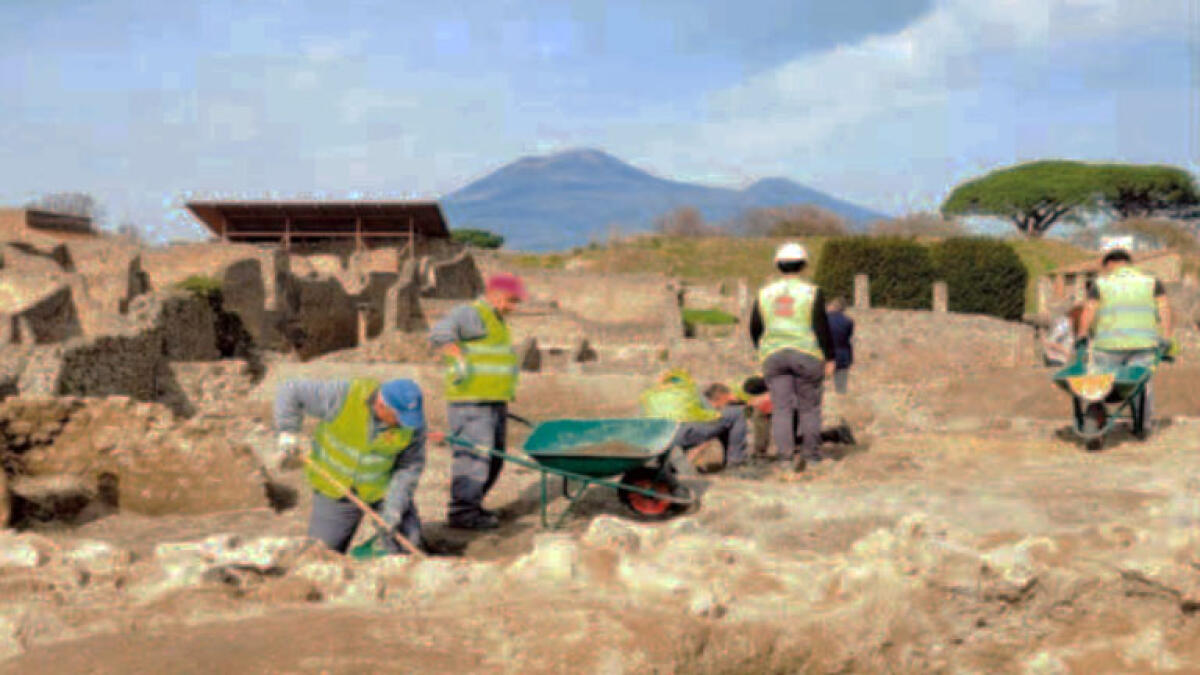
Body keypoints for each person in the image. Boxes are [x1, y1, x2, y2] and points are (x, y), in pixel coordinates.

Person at [270, 377, 427, 555]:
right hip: (336, 491)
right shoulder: (345, 396)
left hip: (382, 490)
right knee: (323, 553)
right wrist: (287, 432)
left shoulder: (412, 424)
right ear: (382, 405)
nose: (403, 424)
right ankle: (355, 557)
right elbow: (290, 389)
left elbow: (409, 468)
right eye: (399, 418)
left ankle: (378, 551)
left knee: (408, 545)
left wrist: (393, 509)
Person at [429, 272, 525, 530]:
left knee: (494, 459)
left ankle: (473, 506)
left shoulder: (496, 320)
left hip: (493, 400)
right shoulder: (471, 313)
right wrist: (457, 358)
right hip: (471, 401)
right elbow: (440, 332)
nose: (513, 308)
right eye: (510, 301)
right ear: (494, 294)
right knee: (474, 458)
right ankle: (463, 513)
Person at [748, 242, 837, 470]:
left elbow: (755, 327)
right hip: (806, 353)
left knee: (781, 409)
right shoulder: (811, 293)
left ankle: (785, 459)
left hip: (774, 355)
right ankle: (811, 456)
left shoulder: (764, 293)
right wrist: (830, 357)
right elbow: (821, 326)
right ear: (804, 265)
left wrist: (764, 349)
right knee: (809, 408)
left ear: (778, 265)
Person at [1074, 248, 1174, 438]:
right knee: (1142, 386)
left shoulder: (1102, 283)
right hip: (1144, 344)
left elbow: (1089, 310)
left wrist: (1081, 334)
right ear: (1129, 263)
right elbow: (1164, 308)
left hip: (1107, 345)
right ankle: (1142, 427)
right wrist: (1167, 336)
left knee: (1100, 385)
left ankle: (1096, 417)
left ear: (1110, 264)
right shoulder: (1151, 282)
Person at [639, 369, 747, 472]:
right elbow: (711, 415)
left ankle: (667, 464)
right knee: (736, 414)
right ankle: (735, 460)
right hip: (682, 434)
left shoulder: (652, 395)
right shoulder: (691, 391)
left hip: (659, 438)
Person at [738, 375, 856, 453]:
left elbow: (762, 436)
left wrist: (759, 454)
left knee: (792, 442)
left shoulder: (767, 399)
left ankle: (836, 434)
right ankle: (835, 434)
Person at [825, 297, 854, 395]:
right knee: (841, 386)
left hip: (825, 354)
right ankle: (841, 402)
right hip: (843, 354)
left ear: (831, 307)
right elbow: (848, 336)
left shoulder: (822, 320)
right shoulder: (848, 321)